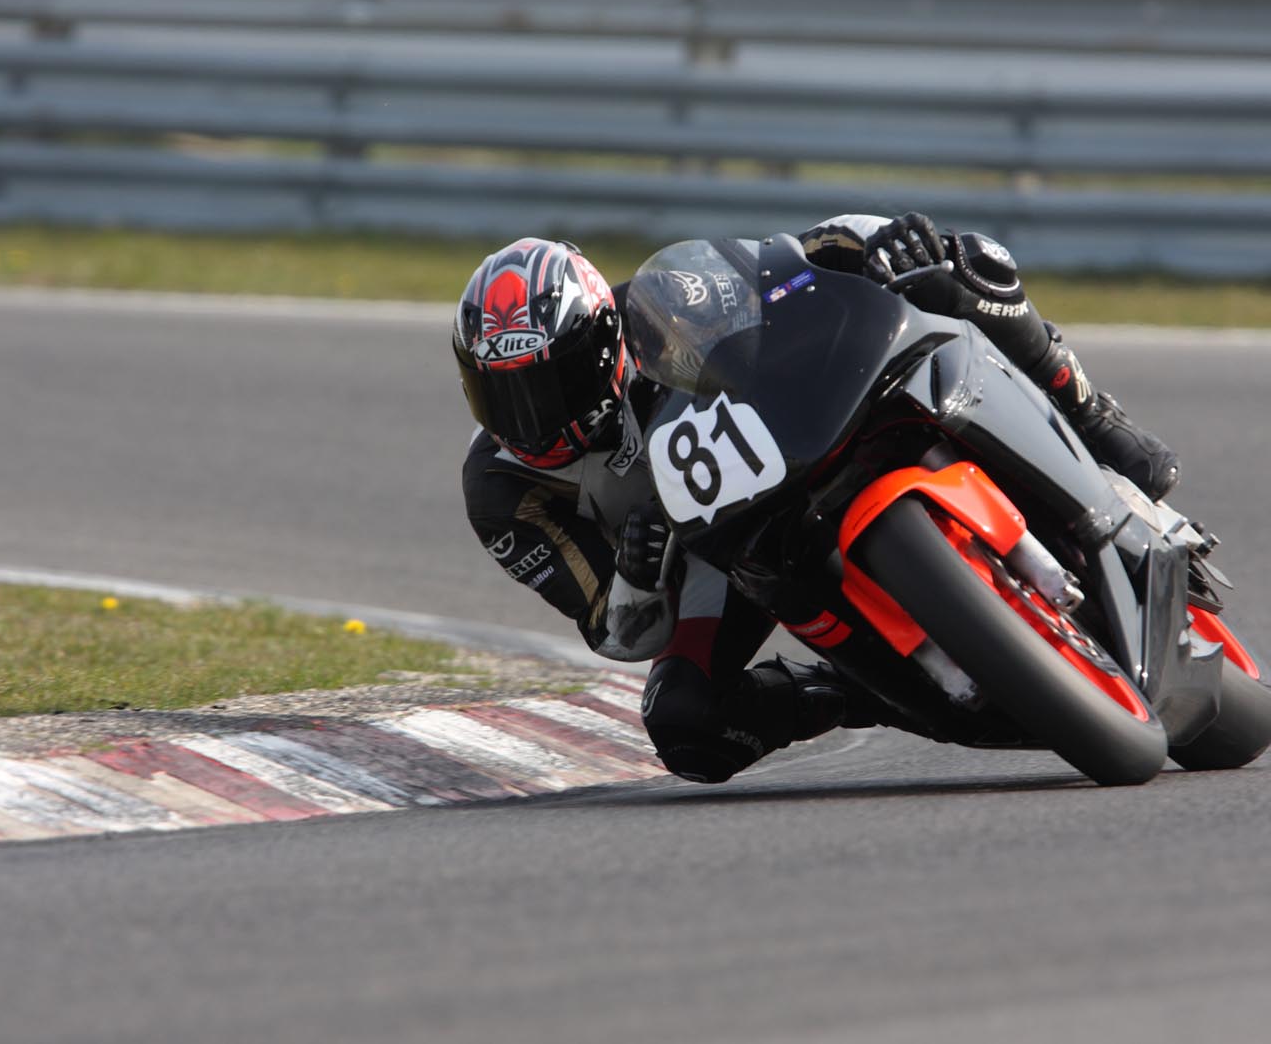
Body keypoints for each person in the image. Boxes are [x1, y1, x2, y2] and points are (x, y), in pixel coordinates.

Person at [454, 213, 1181, 784]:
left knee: (955, 265)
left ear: (601, 339)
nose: (531, 416)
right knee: (686, 727)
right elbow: (615, 635)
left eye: (546, 384)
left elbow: (784, 264)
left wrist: (869, 247)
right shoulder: (501, 491)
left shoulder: (656, 309)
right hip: (708, 554)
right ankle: (863, 690)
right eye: (502, 393)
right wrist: (637, 575)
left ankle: (1093, 418)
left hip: (801, 430)